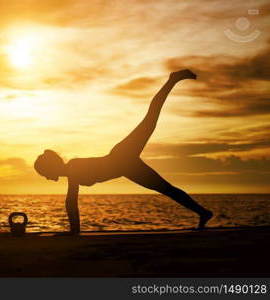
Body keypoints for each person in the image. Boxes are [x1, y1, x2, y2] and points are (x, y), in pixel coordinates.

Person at [34, 69, 213, 234]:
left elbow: (71, 202)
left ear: (51, 168)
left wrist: (74, 233)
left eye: (44, 173)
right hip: (127, 168)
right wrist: (74, 231)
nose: (46, 178)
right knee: (167, 189)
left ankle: (172, 80)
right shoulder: (71, 171)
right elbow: (71, 202)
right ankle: (203, 213)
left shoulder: (73, 167)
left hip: (121, 156)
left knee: (150, 118)